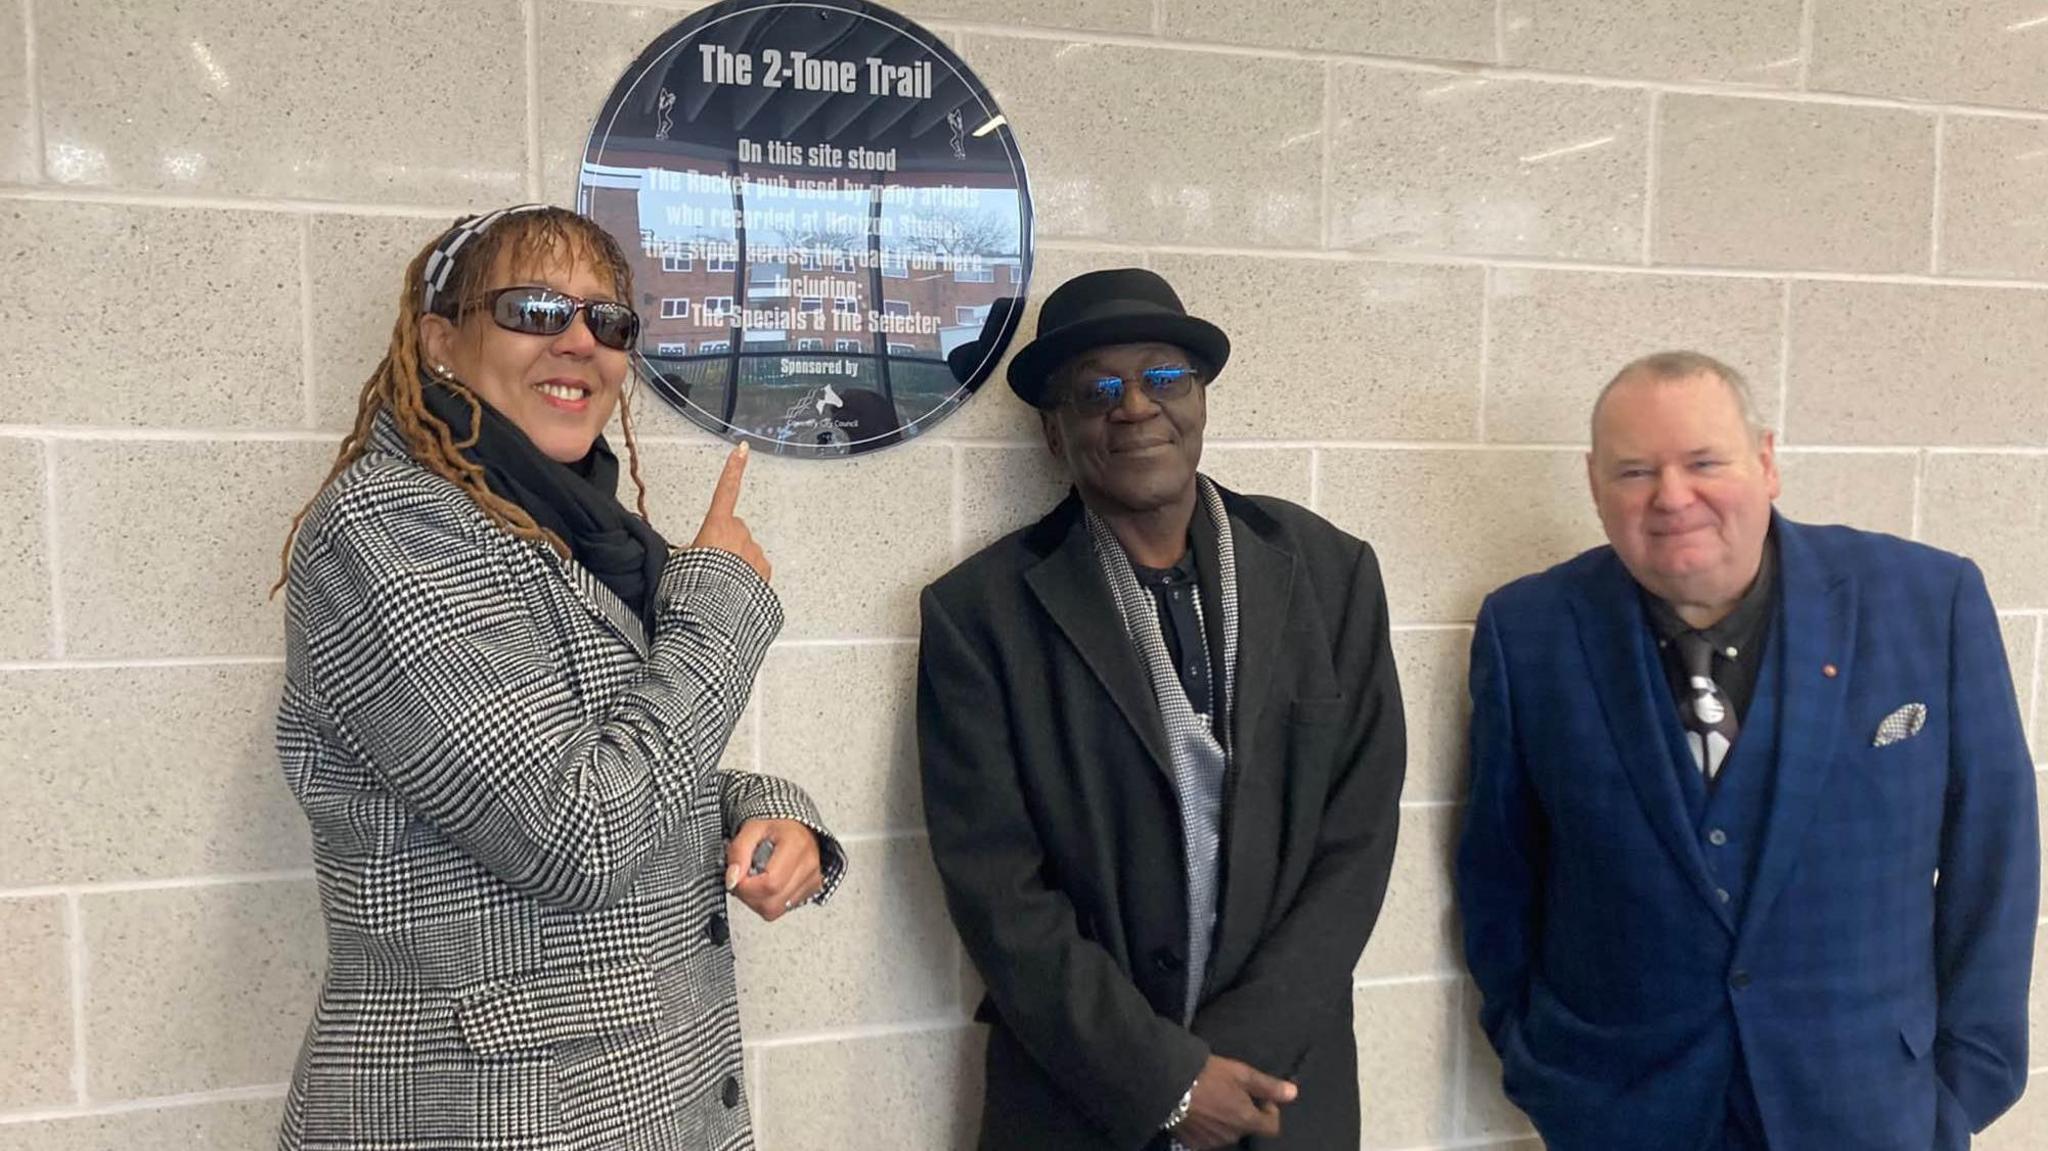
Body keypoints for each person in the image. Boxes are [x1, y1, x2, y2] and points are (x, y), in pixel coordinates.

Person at [272, 204, 844, 1151]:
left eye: (607, 320)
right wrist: (722, 608)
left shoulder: (571, 532)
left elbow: (619, 761)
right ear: (441, 341)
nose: (580, 340)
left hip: (641, 1101)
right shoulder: (387, 533)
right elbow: (576, 832)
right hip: (487, 1115)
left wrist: (769, 809)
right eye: (535, 309)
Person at [1456, 351, 2039, 1151]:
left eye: (1703, 462)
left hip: (1871, 1112)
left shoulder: (1928, 601)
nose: (1671, 496)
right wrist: (1545, 1068)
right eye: (1635, 471)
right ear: (1594, 484)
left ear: (1766, 463)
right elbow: (1499, 873)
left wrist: (1960, 1087)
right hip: (1623, 1115)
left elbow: (1995, 858)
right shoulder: (1528, 632)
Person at [917, 268, 1407, 1150]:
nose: (1135, 405)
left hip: (1283, 1089)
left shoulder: (1332, 575)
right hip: (1080, 1100)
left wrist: (1237, 1056)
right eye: (1096, 388)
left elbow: (1358, 835)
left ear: (1203, 399)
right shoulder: (979, 615)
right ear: (1054, 430)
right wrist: (1165, 1080)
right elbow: (998, 890)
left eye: (1164, 377)